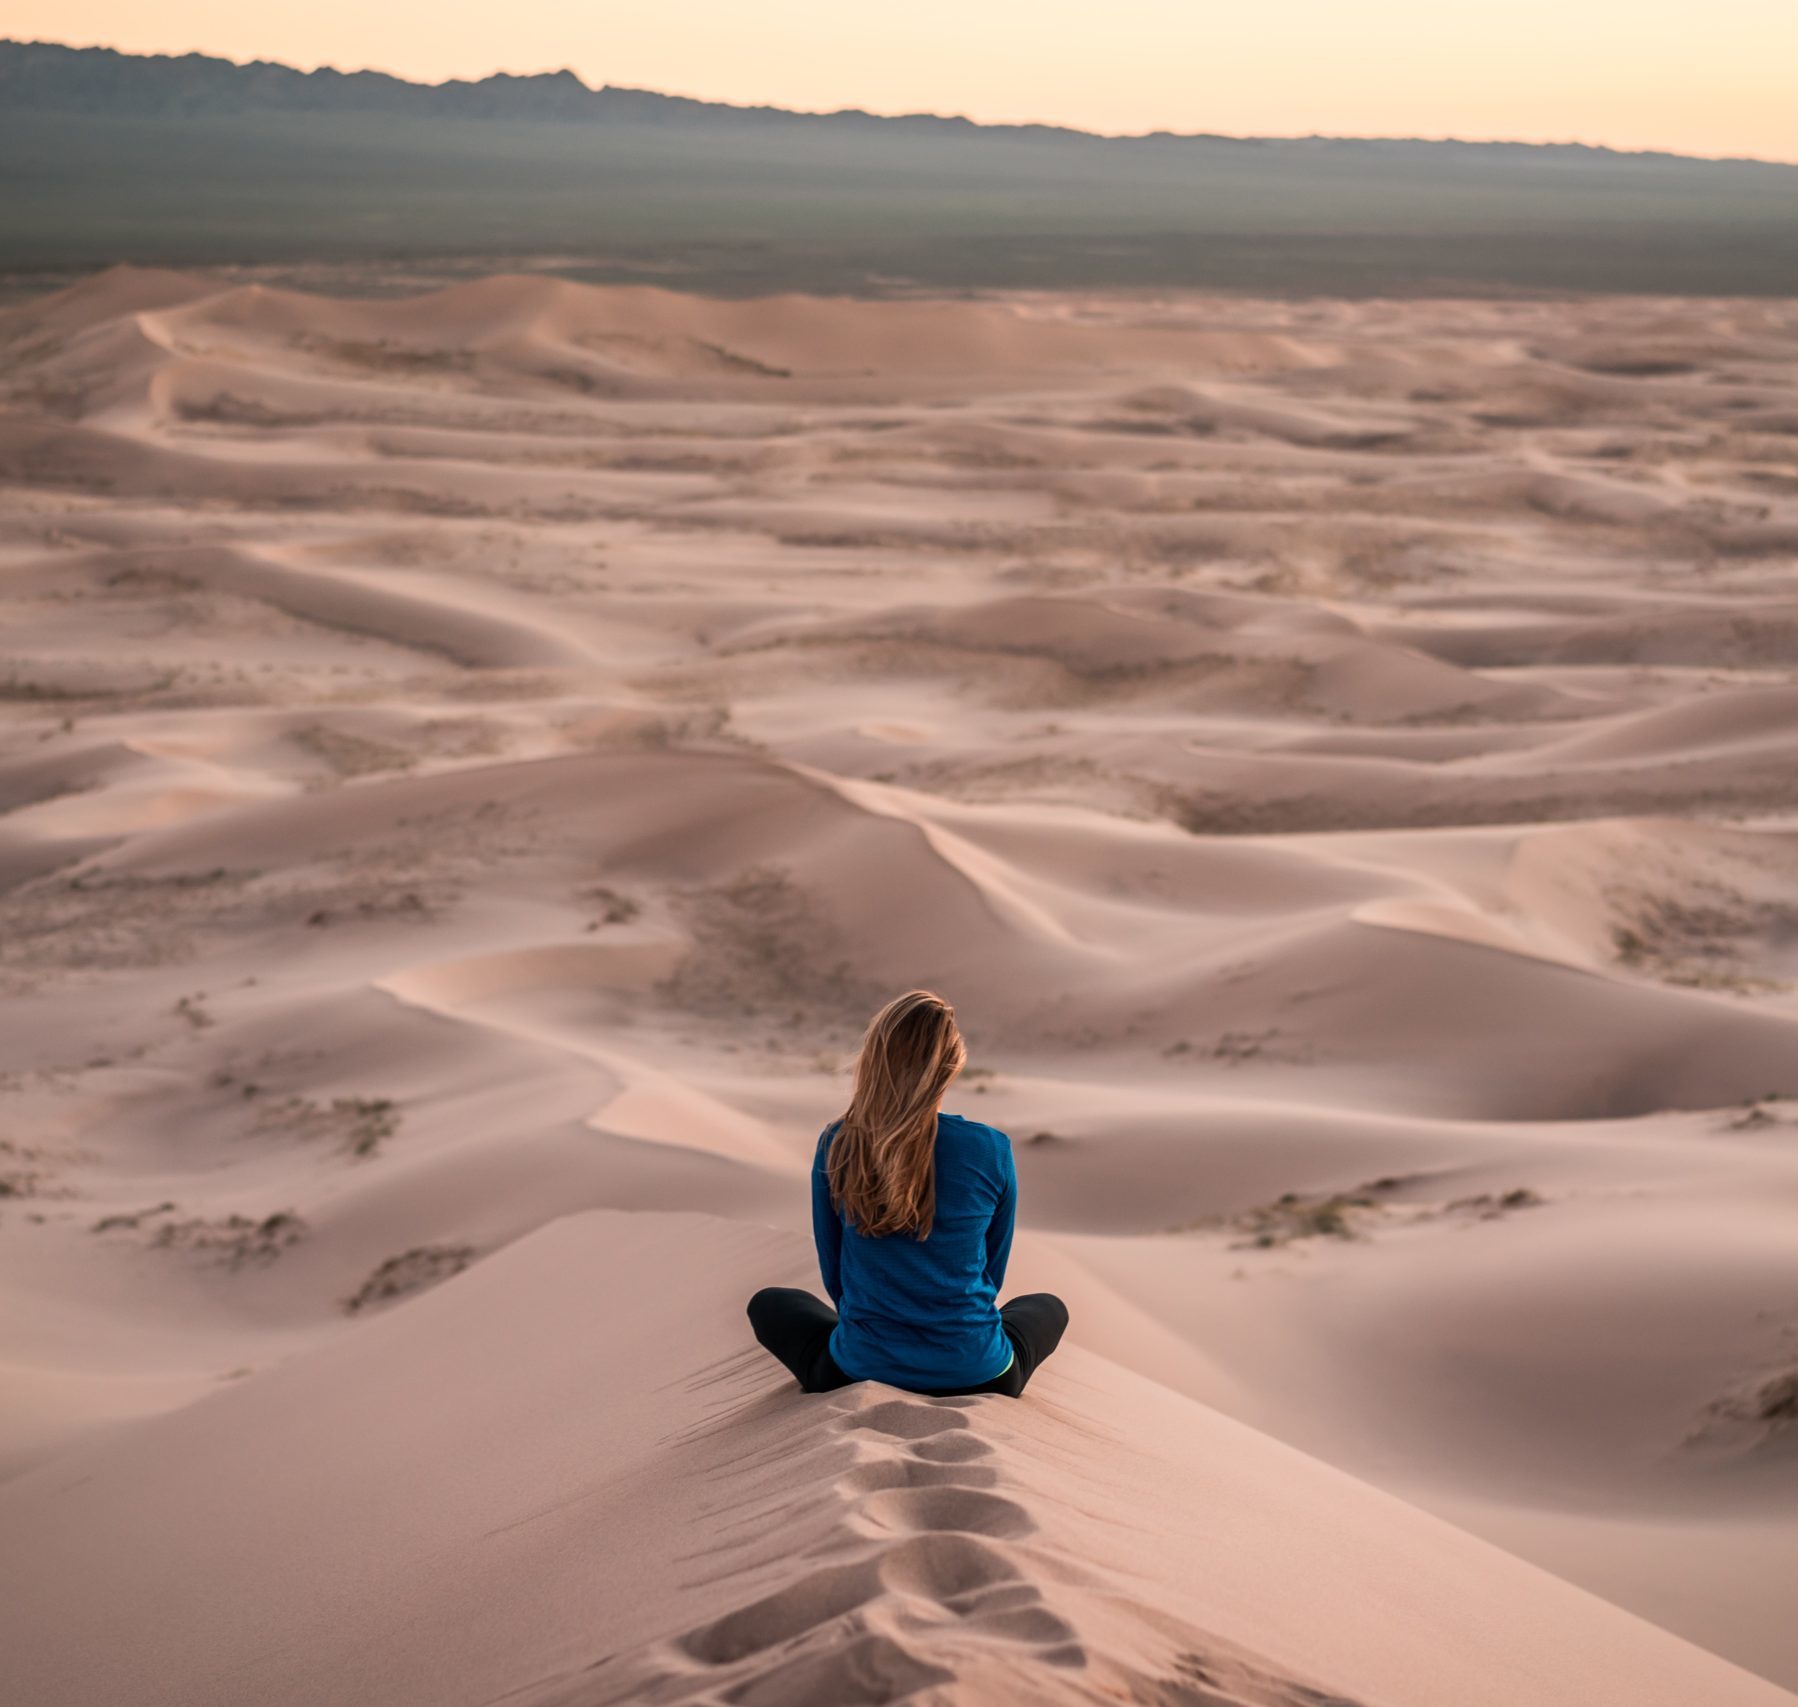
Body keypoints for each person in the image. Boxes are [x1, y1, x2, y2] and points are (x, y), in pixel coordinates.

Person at [747, 989, 1068, 1398]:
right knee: (1047, 1307)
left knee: (771, 1304)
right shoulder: (991, 1148)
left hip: (858, 1367)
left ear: (873, 1060)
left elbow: (835, 1275)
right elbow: (992, 1272)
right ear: (951, 1067)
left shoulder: (840, 1142)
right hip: (977, 1370)